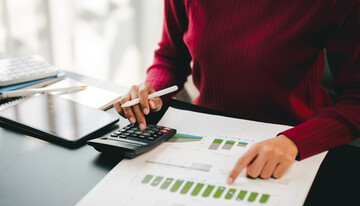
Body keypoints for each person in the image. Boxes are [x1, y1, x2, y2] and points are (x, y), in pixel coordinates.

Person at [114, 0, 360, 183]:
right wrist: (152, 92)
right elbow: (170, 56)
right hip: (203, 134)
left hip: (291, 140)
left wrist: (295, 142)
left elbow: (356, 96)